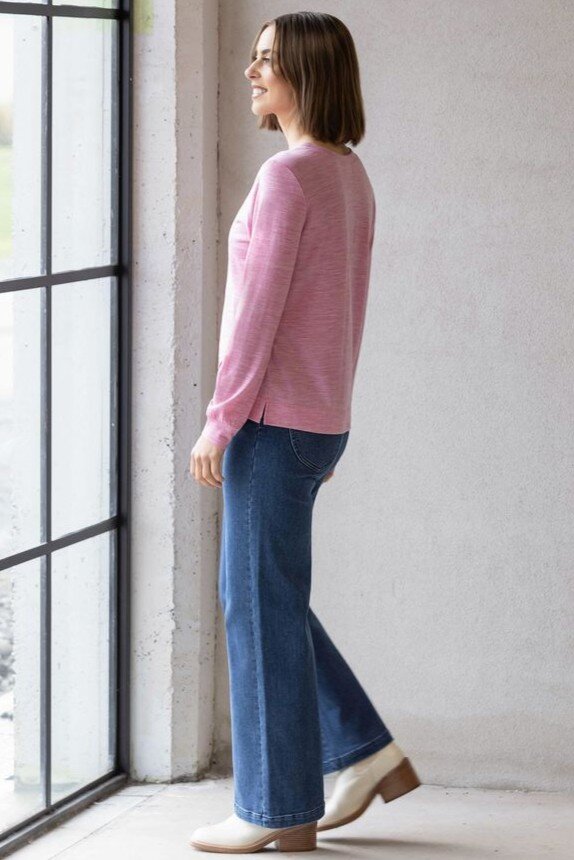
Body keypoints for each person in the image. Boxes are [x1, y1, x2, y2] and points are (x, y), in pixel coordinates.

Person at [189, 12, 420, 854]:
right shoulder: (348, 175)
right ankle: (363, 750)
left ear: (306, 75)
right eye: (253, 59)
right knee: (269, 599)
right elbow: (341, 314)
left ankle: (276, 809)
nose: (252, 73)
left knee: (255, 609)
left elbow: (259, 316)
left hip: (270, 420)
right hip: (316, 421)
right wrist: (326, 421)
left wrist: (220, 421)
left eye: (268, 62)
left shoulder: (289, 178)